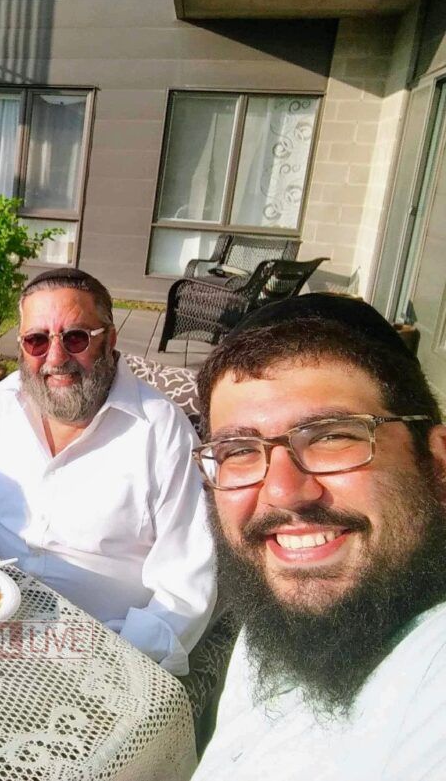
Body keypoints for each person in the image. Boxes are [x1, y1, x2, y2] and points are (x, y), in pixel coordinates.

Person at [191, 294, 446, 780]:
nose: (283, 492)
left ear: (437, 465)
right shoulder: (278, 614)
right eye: (239, 450)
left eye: (332, 435)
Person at [0, 268, 215, 674]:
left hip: (101, 650)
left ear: (110, 339)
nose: (55, 359)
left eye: (75, 338)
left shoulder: (162, 432)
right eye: (36, 340)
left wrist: (98, 658)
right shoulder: (4, 401)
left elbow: (184, 592)